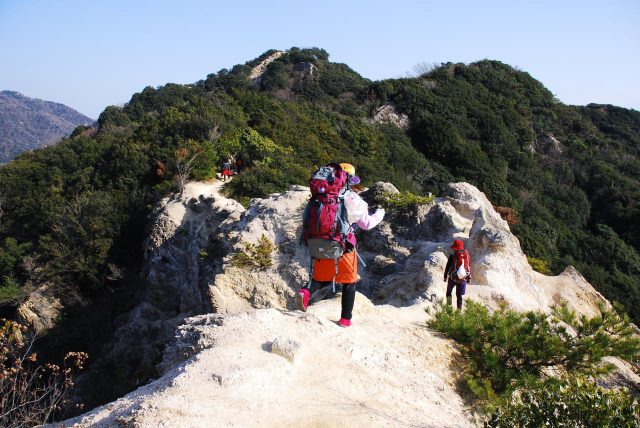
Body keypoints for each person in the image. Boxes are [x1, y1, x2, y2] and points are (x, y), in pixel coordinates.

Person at [297, 163, 385, 327]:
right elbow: (367, 224)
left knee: (321, 277)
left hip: (317, 243)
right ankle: (345, 319)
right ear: (349, 179)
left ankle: (305, 291)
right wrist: (380, 213)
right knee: (349, 281)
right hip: (343, 246)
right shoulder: (351, 198)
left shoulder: (317, 198)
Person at [443, 239, 471, 310]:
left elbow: (448, 266)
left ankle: (449, 308)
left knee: (449, 293)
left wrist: (445, 276)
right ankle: (459, 309)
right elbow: (468, 267)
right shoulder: (467, 255)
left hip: (453, 278)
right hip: (463, 279)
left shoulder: (452, 256)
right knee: (459, 295)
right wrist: (468, 278)